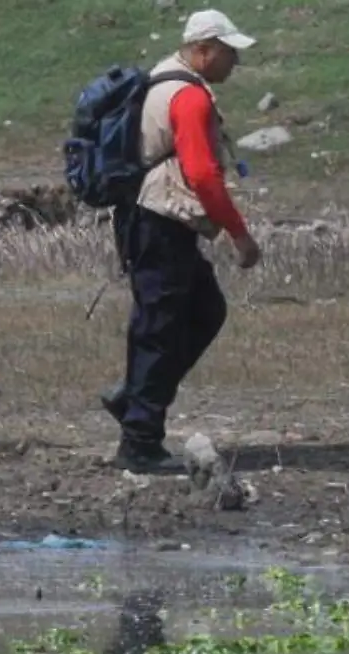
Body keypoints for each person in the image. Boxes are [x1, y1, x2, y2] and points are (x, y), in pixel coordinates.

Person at [98, 8, 263, 475]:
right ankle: (140, 442)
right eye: (230, 54)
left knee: (203, 310)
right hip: (160, 223)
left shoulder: (164, 82)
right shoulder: (188, 98)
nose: (235, 64)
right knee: (160, 329)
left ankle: (133, 399)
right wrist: (239, 234)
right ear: (203, 50)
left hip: (152, 221)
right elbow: (204, 175)